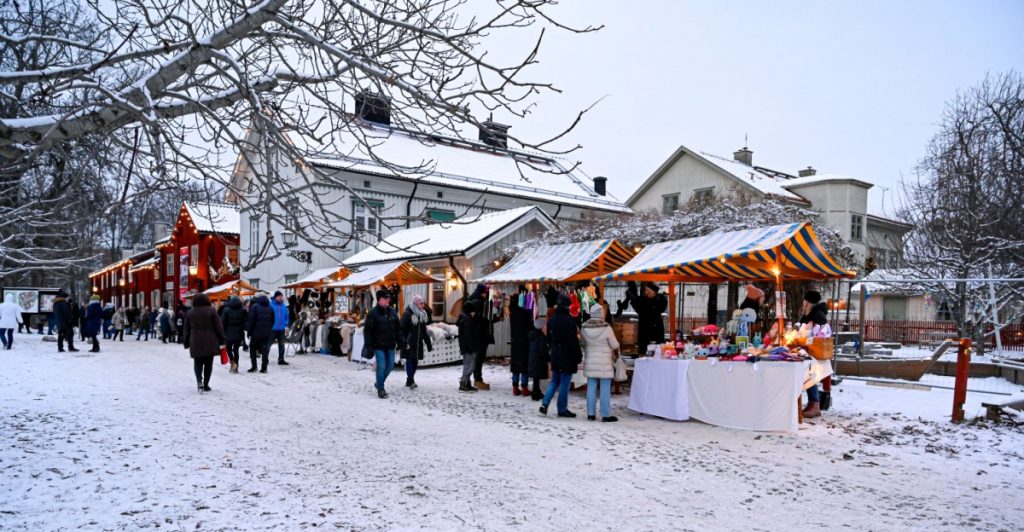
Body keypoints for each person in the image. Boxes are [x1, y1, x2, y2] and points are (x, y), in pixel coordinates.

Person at [539, 295, 582, 418]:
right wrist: (578, 355)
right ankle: (562, 409)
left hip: (556, 354)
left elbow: (549, 339)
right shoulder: (570, 321)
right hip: (567, 355)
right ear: (568, 306)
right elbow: (573, 341)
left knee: (554, 380)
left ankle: (545, 403)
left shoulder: (552, 320)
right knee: (564, 383)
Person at [581, 303, 620, 422]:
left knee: (591, 388)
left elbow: (583, 344)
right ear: (601, 314)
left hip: (591, 361)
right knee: (604, 388)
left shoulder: (584, 328)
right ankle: (605, 414)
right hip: (604, 363)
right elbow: (614, 345)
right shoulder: (607, 328)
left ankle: (590, 414)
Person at [183, 293, 224, 392]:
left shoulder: (190, 312)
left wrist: (186, 342)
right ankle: (206, 384)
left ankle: (199, 382)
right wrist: (222, 339)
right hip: (211, 341)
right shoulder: (212, 311)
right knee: (208, 364)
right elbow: (219, 327)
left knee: (197, 363)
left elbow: (186, 329)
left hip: (195, 341)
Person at [363, 289, 400, 398]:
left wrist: (401, 341)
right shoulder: (373, 313)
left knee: (390, 366)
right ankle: (381, 389)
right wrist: (368, 345)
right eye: (385, 298)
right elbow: (368, 331)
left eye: (388, 298)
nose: (387, 300)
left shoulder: (392, 312)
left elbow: (398, 328)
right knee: (382, 366)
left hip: (390, 344)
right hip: (378, 345)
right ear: (379, 300)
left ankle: (379, 383)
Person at [799, 290, 829, 418]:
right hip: (808, 351)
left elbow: (818, 335)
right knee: (807, 375)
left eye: (804, 300)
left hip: (815, 352)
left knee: (810, 376)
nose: (803, 303)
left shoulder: (817, 315)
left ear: (808, 302)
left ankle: (815, 404)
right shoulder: (810, 313)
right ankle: (812, 403)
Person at [400, 294, 433, 389]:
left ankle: (409, 379)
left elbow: (424, 331)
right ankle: (411, 380)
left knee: (415, 362)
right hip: (409, 343)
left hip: (418, 343)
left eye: (423, 303)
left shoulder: (422, 315)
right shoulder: (408, 314)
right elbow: (401, 328)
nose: (423, 305)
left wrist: (428, 343)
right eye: (421, 304)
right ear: (416, 304)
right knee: (410, 360)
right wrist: (403, 341)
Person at [467, 284, 493, 390]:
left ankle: (477, 379)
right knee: (478, 357)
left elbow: (483, 319)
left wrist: (493, 319)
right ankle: (477, 379)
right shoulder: (477, 301)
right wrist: (487, 321)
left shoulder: (480, 300)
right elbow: (478, 319)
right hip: (479, 334)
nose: (487, 294)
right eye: (486, 292)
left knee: (479, 357)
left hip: (480, 332)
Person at [508, 286, 532, 396]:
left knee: (516, 364)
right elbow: (529, 325)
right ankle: (524, 387)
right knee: (524, 364)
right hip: (524, 339)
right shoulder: (525, 311)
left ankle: (514, 386)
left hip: (515, 339)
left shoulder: (512, 309)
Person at [632, 283, 667, 356]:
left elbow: (656, 309)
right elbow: (639, 310)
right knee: (644, 352)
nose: (646, 292)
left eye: (648, 290)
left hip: (655, 331)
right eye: (645, 290)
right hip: (644, 331)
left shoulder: (660, 299)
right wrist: (634, 300)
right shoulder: (643, 300)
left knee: (656, 352)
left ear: (654, 292)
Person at [246, 293, 275, 373]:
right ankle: (264, 368)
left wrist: (249, 332)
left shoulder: (254, 307)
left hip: (256, 333)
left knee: (252, 348)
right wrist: (269, 329)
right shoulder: (270, 307)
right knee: (264, 349)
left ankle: (254, 366)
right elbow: (273, 320)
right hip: (267, 333)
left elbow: (251, 321)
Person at [220, 295, 248, 373]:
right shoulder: (243, 310)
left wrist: (223, 331)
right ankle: (236, 367)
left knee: (228, 349)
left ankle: (232, 362)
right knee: (236, 350)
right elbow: (246, 320)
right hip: (239, 333)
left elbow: (223, 322)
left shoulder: (226, 310)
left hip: (228, 333)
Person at [456, 301, 479, 393]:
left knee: (468, 364)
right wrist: (471, 347)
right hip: (468, 347)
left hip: (465, 346)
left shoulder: (464, 318)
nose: (474, 313)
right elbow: (468, 336)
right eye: (473, 311)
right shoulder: (467, 320)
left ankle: (467, 383)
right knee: (470, 365)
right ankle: (463, 383)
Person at [527, 317, 549, 401]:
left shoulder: (533, 335)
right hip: (538, 360)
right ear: (541, 327)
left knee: (536, 378)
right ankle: (536, 393)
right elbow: (542, 350)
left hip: (534, 359)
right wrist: (547, 358)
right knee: (537, 377)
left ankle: (536, 391)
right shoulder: (541, 337)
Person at [268, 291, 290, 366]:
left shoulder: (284, 306)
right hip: (272, 329)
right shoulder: (270, 305)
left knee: (282, 345)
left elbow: (287, 317)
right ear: (275, 297)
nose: (281, 298)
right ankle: (265, 359)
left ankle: (281, 359)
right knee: (268, 344)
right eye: (279, 297)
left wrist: (286, 324)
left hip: (281, 329)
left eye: (281, 296)